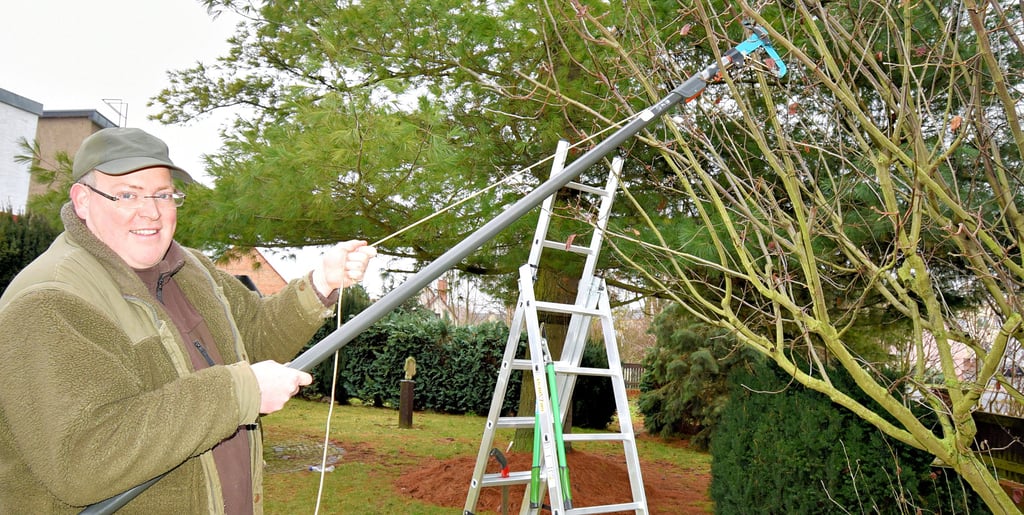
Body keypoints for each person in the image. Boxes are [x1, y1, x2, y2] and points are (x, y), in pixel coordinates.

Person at [0, 127, 377, 514]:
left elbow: (256, 336)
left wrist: (322, 282)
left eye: (163, 195)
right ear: (82, 201)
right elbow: (84, 457)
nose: (151, 211)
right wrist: (237, 393)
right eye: (128, 194)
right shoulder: (50, 300)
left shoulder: (192, 268)